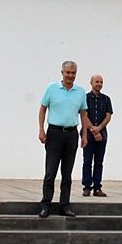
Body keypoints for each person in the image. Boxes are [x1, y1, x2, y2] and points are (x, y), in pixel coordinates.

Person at [38, 60, 91, 218]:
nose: (70, 76)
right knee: (50, 171)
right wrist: (41, 129)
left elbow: (83, 114)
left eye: (73, 73)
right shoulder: (52, 89)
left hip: (72, 134)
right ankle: (45, 204)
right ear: (62, 72)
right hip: (54, 133)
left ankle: (64, 205)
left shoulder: (80, 92)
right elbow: (42, 109)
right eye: (67, 72)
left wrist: (85, 134)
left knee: (67, 173)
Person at [82, 74, 114, 197]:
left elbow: (108, 115)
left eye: (101, 82)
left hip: (102, 135)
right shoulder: (85, 98)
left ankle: (97, 187)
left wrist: (99, 129)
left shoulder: (106, 99)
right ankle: (86, 187)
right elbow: (84, 115)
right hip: (88, 135)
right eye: (97, 81)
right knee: (87, 161)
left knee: (99, 162)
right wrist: (93, 130)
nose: (99, 84)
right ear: (91, 83)